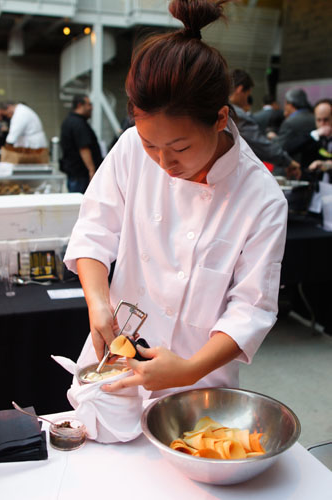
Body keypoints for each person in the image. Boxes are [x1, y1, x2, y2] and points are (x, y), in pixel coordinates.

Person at [64, 0, 287, 398]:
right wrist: (98, 304)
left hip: (198, 379)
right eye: (152, 145)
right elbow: (95, 230)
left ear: (220, 119)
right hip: (114, 363)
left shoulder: (261, 197)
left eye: (180, 147)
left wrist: (187, 371)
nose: (164, 162)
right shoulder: (131, 148)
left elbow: (251, 308)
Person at [229, 69, 301, 179]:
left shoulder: (214, 107)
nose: (247, 100)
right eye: (247, 95)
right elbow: (260, 144)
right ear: (240, 89)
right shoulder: (235, 114)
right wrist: (287, 161)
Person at [60, 95, 103, 194]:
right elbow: (84, 148)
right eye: (89, 104)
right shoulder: (78, 124)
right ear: (80, 105)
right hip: (81, 175)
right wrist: (91, 171)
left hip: (74, 173)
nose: (91, 108)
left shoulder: (68, 121)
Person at [270, 88, 315, 163]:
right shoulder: (314, 117)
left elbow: (280, 147)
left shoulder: (289, 122)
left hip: (293, 165)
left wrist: (274, 138)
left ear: (290, 104)